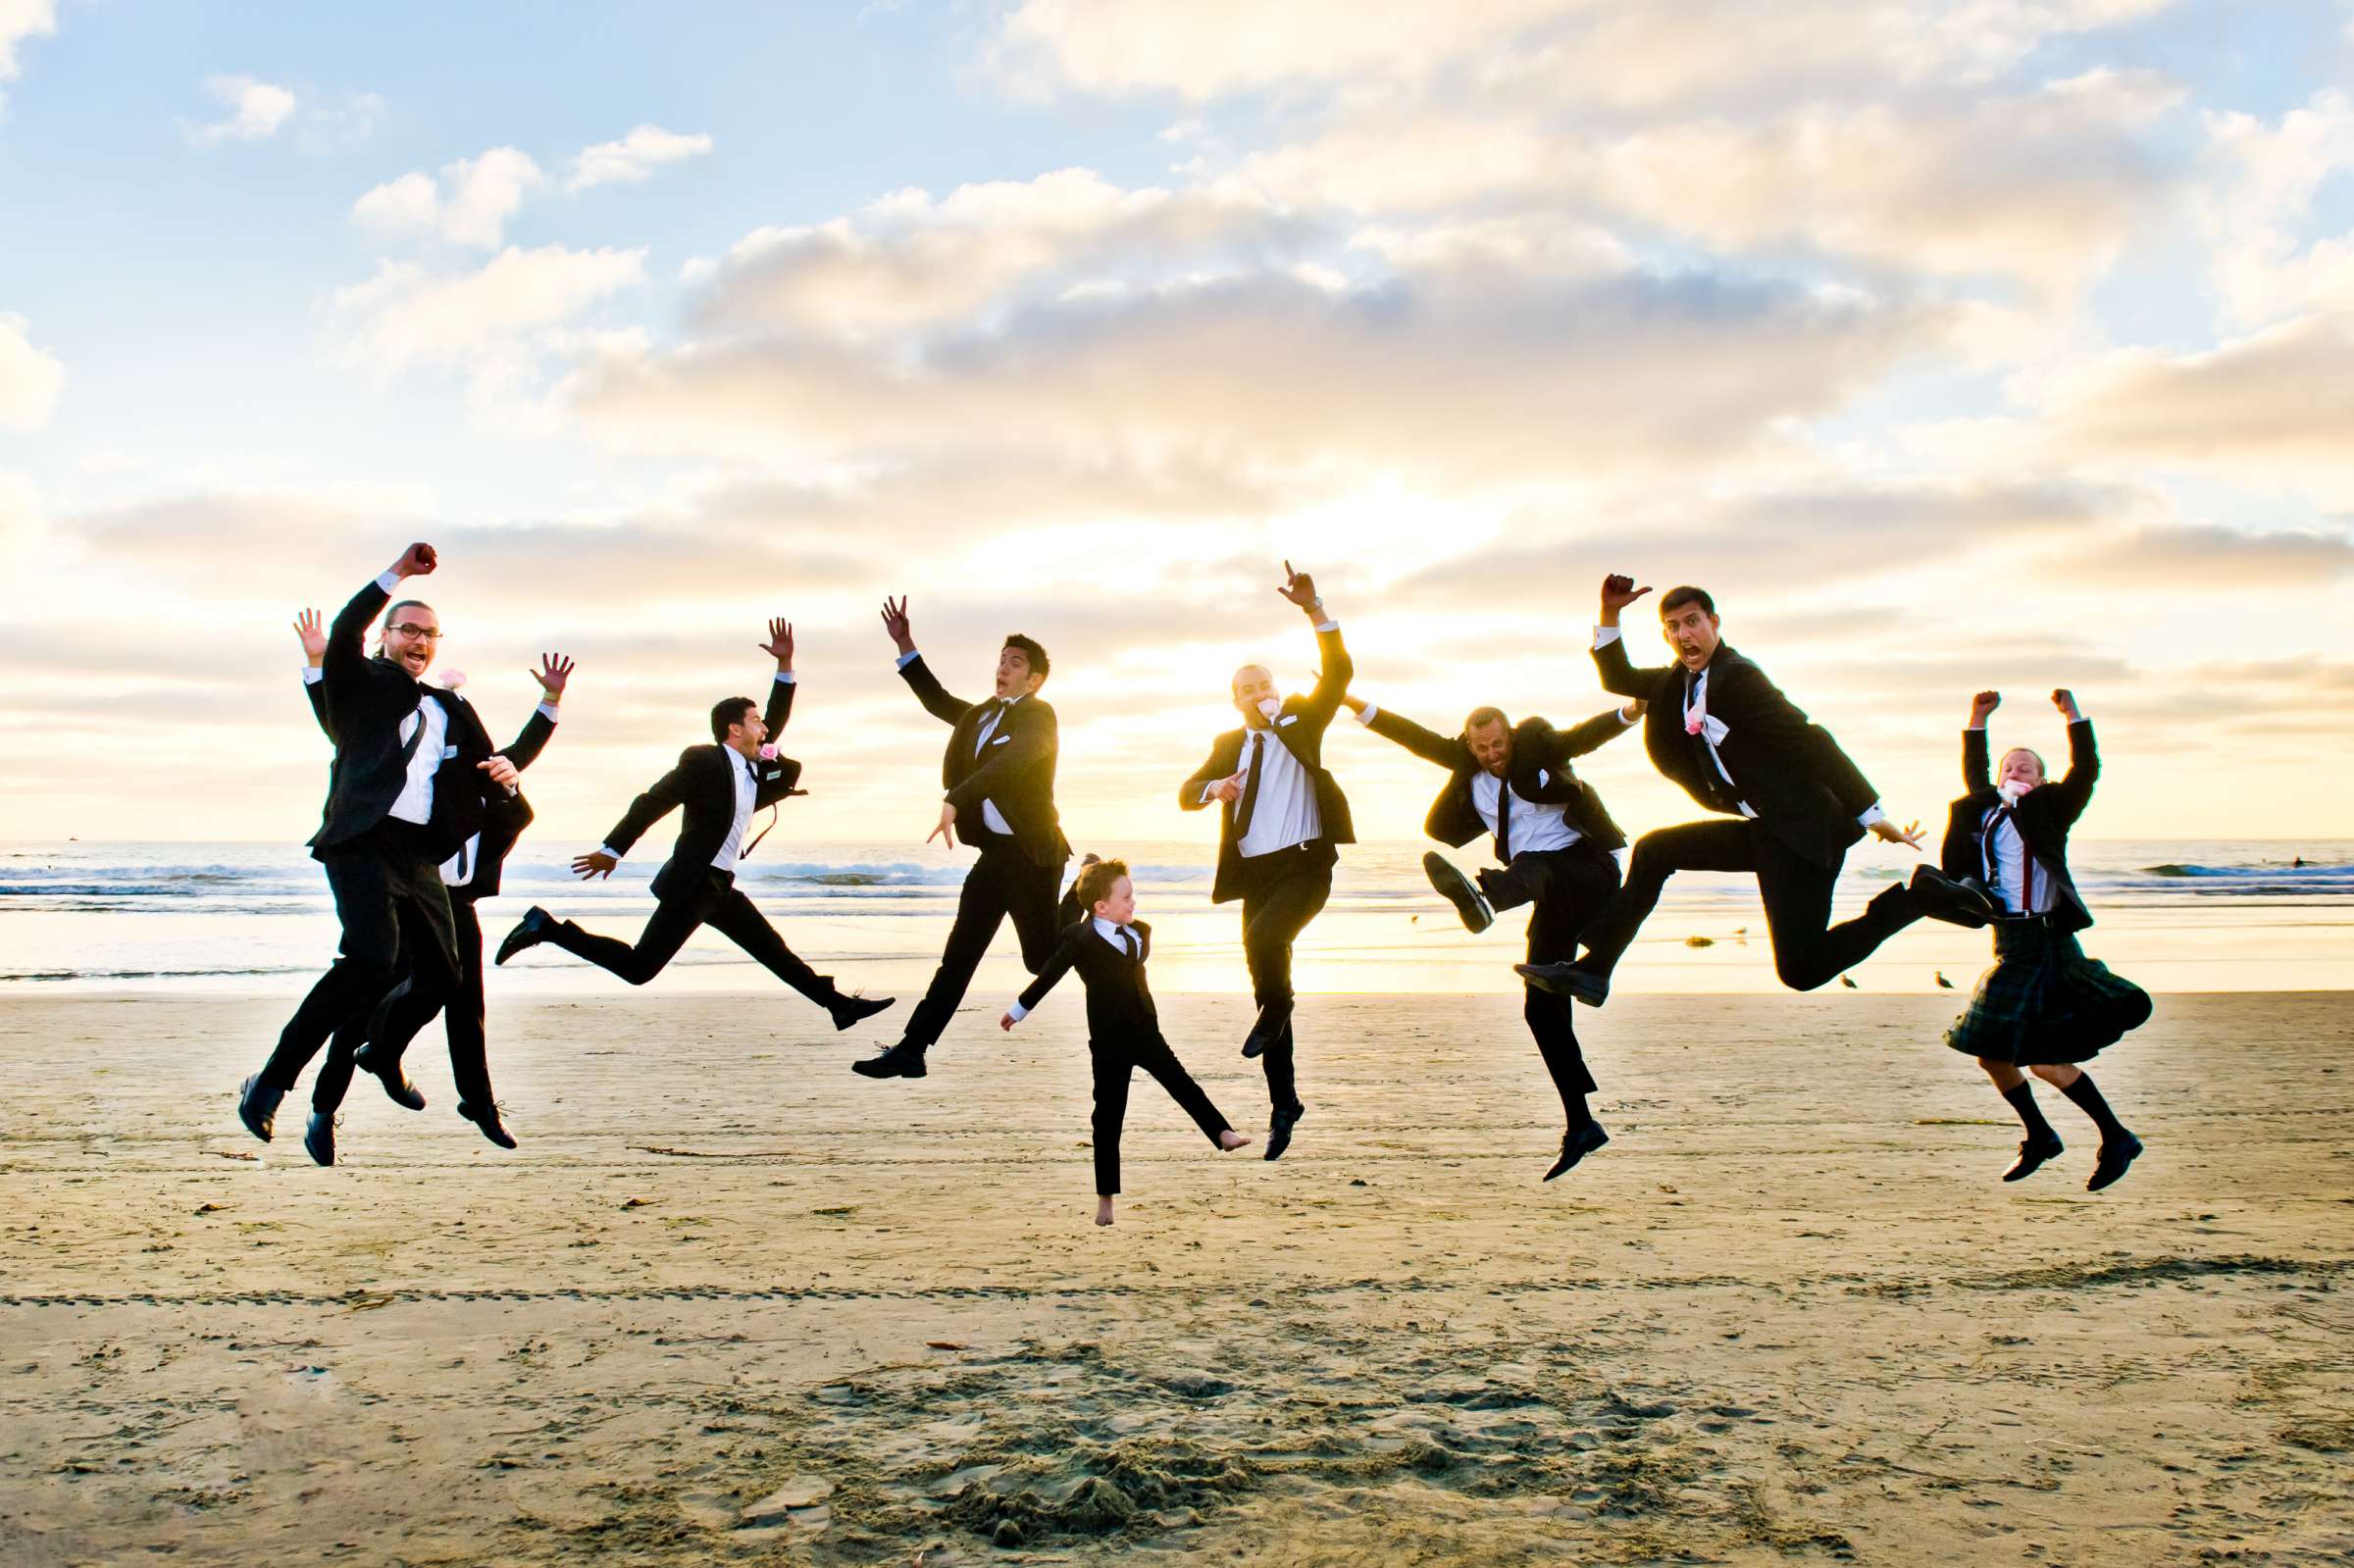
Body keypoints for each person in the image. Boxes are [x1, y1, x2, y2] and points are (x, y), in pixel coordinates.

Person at [1518, 575, 1992, 1005]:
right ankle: (1594, 970)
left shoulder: (1738, 677)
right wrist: (1610, 613)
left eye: (1693, 622)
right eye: (1672, 627)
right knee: (1656, 850)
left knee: (1801, 970)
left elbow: (1810, 738)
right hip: (1768, 827)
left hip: (1806, 835)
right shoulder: (1678, 682)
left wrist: (1870, 813)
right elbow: (1616, 678)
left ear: (1714, 623)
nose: (1684, 634)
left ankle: (1916, 899)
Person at [239, 543, 544, 1145]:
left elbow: (486, 762)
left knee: (444, 978)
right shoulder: (360, 683)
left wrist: (509, 771)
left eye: (431, 634)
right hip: (362, 840)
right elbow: (346, 631)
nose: (421, 642)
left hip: (417, 853)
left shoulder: (443, 706)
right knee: (370, 962)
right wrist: (397, 573)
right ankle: (272, 1083)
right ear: (386, 637)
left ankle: (380, 1051)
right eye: (409, 630)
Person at [493, 623, 894, 1032]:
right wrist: (613, 850)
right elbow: (652, 801)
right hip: (694, 886)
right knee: (638, 968)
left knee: (775, 952)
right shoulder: (704, 761)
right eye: (756, 721)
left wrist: (786, 665)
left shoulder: (751, 766)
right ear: (734, 729)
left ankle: (838, 1007)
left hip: (720, 886)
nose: (765, 728)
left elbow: (778, 717)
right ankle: (547, 928)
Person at [290, 610, 571, 1163]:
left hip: (450, 901)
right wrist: (318, 661)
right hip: (397, 892)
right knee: (359, 1015)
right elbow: (337, 717)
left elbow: (508, 759)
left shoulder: (479, 789)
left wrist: (551, 704)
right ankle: (324, 1111)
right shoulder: (394, 763)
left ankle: (479, 1103)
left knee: (466, 1003)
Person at [1346, 687, 1643, 1179]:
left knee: (1531, 867)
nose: (1492, 755)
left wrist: (1630, 711)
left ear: (1510, 736)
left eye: (1498, 745)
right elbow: (1413, 739)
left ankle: (1487, 898)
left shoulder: (1539, 746)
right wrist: (1358, 707)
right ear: (1471, 745)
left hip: (1587, 867)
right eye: (1482, 748)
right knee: (1540, 1007)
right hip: (1549, 891)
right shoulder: (1468, 765)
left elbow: (1585, 737)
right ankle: (1581, 1125)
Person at [851, 599, 1070, 1081]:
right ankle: (912, 1049)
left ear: (1033, 680)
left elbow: (1012, 762)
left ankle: (1081, 893)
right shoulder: (978, 717)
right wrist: (906, 645)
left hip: (1034, 856)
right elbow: (934, 699)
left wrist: (957, 797)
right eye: (1001, 659)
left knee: (1040, 959)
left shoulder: (1039, 717)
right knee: (958, 958)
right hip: (994, 858)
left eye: (1016, 662)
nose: (1003, 667)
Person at [1178, 563, 1354, 1161]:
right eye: (1247, 689)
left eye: (1264, 684)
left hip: (1305, 867)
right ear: (1235, 701)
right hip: (1256, 874)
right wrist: (1213, 790)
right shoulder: (1228, 745)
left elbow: (1339, 674)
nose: (1258, 693)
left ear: (1276, 691)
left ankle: (1280, 1010)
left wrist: (1314, 610)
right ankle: (1285, 1103)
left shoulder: (1302, 718)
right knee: (1265, 988)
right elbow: (1184, 793)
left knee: (1267, 944)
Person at [1942, 688, 2149, 1190]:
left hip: (2048, 943)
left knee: (2045, 1063)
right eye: (2010, 766)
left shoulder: (2053, 809)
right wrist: (1977, 718)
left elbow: (2087, 768)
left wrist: (2072, 716)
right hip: (2009, 941)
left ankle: (2112, 1137)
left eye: (2028, 767)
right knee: (1994, 1055)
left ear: (2041, 779)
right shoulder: (1985, 810)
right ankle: (2044, 1137)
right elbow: (1976, 768)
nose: (2016, 770)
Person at [999, 858, 1251, 1225]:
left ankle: (1222, 1133)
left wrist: (1094, 870)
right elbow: (1049, 974)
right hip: (1108, 1041)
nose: (1134, 902)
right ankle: (1106, 1200)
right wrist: (1020, 1008)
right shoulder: (1079, 938)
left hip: (1146, 1030)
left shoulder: (1139, 932)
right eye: (1127, 897)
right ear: (1102, 907)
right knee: (1107, 1117)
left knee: (1182, 1084)